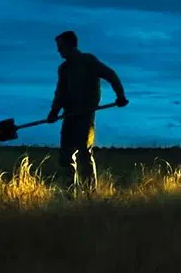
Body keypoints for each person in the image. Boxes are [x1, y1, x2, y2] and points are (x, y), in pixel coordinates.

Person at [46, 30, 128, 192]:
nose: (58, 51)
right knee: (66, 156)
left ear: (70, 45)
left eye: (61, 47)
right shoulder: (63, 69)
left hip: (85, 115)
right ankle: (69, 193)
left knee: (84, 154)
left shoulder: (88, 61)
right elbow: (60, 93)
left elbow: (111, 75)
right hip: (68, 116)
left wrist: (120, 95)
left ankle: (90, 194)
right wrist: (54, 112)